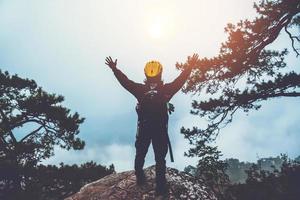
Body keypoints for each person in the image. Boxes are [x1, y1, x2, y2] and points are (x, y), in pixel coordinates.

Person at [105, 55, 198, 197]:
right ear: (160, 74)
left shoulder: (140, 90)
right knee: (160, 159)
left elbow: (126, 82)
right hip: (160, 131)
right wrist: (190, 67)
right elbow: (180, 81)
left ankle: (140, 177)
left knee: (140, 154)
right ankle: (160, 187)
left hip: (144, 129)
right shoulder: (167, 90)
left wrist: (114, 69)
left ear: (146, 75)